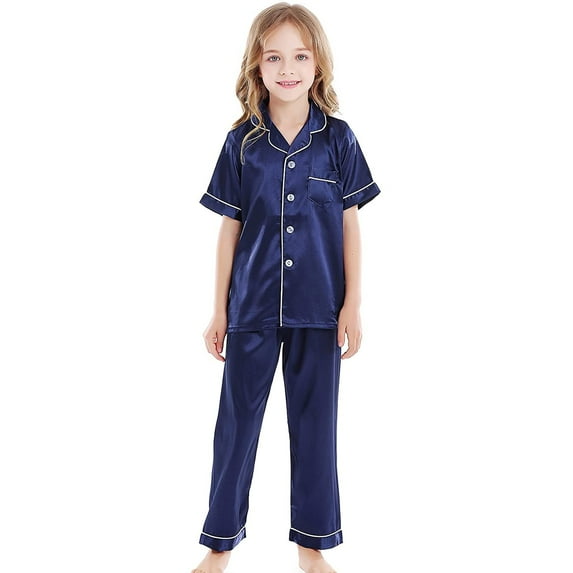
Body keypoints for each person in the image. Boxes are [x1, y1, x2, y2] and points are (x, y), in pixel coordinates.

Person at [192, 3, 381, 572]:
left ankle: (312, 548)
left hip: (320, 310)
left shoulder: (338, 139)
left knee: (316, 430)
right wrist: (218, 309)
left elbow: (350, 224)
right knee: (236, 428)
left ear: (317, 63)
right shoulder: (241, 142)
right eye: (274, 57)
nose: (288, 69)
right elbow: (230, 228)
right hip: (250, 306)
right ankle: (219, 547)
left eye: (300, 56)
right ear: (256, 64)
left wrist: (352, 304)